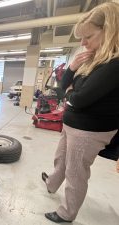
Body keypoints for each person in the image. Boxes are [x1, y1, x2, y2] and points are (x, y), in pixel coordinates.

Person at [42, 2, 119, 223]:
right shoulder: (92, 60)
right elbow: (62, 90)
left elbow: (80, 98)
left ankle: (66, 213)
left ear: (110, 31)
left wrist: (70, 94)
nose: (83, 43)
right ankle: (52, 184)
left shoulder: (114, 65)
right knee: (61, 159)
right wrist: (72, 68)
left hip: (89, 131)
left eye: (89, 37)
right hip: (72, 123)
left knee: (76, 173)